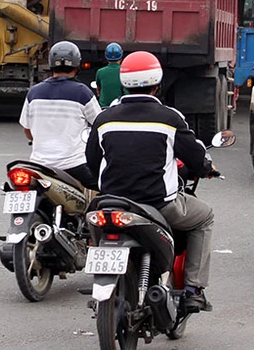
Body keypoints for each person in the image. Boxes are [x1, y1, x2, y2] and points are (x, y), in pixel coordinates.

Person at [85, 50, 217, 313]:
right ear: (158, 83)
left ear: (124, 82)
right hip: (159, 204)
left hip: (111, 203)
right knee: (205, 217)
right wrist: (207, 168)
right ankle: (193, 289)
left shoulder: (103, 119)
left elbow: (92, 160)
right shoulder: (170, 118)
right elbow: (196, 157)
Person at [19, 41, 100, 189]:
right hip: (74, 166)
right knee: (101, 189)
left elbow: (28, 131)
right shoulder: (82, 92)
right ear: (77, 65)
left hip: (38, 165)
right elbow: (99, 124)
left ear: (51, 64)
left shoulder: (34, 92)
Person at [94, 42, 124, 108]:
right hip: (119, 107)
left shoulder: (100, 72)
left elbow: (98, 89)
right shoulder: (123, 71)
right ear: (121, 57)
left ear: (106, 57)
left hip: (103, 108)